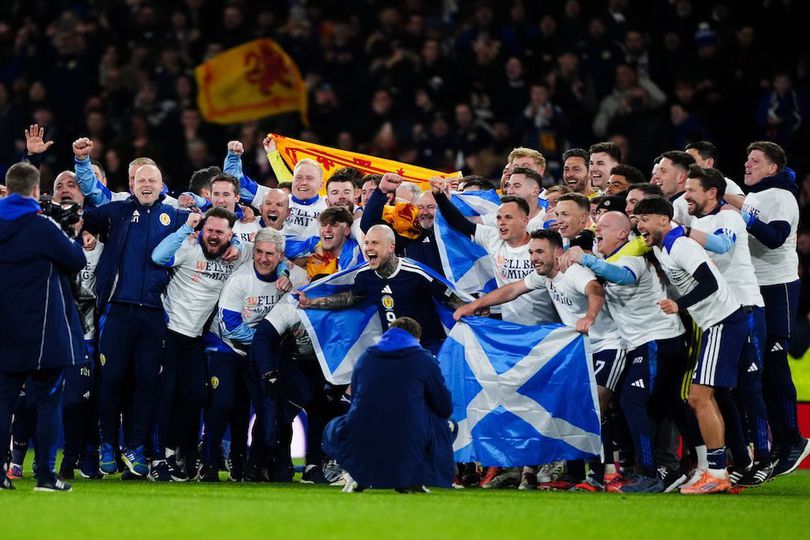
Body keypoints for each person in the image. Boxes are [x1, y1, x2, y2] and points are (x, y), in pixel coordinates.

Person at [82, 162, 193, 478]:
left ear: (162, 185)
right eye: (141, 180)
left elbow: (219, 221)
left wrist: (241, 228)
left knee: (147, 382)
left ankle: (135, 447)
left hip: (153, 314)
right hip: (117, 310)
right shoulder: (116, 211)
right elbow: (84, 209)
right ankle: (107, 445)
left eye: (152, 180)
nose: (146, 184)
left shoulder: (175, 216)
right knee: (111, 380)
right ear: (132, 184)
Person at [634, 196, 747, 494]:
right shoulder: (661, 246)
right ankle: (715, 469)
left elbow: (709, 283)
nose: (639, 224)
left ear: (663, 219)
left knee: (698, 398)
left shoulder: (681, 245)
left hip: (722, 321)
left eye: (644, 218)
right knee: (703, 397)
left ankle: (718, 472)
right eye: (637, 218)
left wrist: (678, 304)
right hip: (714, 324)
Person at [682, 165, 773, 486]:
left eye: (692, 189)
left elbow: (722, 246)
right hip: (719, 314)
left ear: (711, 192)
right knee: (720, 391)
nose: (686, 195)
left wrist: (683, 233)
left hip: (745, 308)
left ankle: (765, 458)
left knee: (748, 387)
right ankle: (742, 459)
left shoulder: (728, 217)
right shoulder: (698, 222)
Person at [0, 162, 87, 492]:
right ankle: (46, 477)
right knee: (48, 402)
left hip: (4, 330)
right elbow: (76, 260)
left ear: (7, 189)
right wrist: (71, 234)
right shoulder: (41, 227)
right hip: (42, 332)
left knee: (3, 402)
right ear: (36, 191)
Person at [149, 206, 252, 481]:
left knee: (195, 397)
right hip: (168, 332)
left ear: (231, 234)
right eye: (209, 230)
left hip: (194, 339)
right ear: (201, 230)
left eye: (220, 232)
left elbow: (271, 251)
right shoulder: (189, 245)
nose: (214, 236)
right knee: (166, 394)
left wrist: (244, 248)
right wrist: (185, 229)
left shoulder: (236, 255)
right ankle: (157, 458)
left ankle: (169, 454)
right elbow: (158, 257)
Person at [200, 228, 306, 482]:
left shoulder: (294, 279)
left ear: (281, 256)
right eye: (258, 251)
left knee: (264, 406)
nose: (263, 258)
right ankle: (208, 461)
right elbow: (229, 325)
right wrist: (264, 342)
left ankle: (249, 464)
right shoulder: (241, 278)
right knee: (224, 402)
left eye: (270, 253)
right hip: (228, 348)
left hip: (260, 353)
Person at [740, 141, 810, 475]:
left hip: (778, 286)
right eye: (747, 159)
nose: (747, 165)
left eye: (755, 161)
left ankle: (792, 439)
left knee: (775, 362)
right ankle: (775, 440)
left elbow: (775, 237)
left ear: (773, 168)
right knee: (760, 366)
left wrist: (744, 215)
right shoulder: (754, 195)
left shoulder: (782, 195)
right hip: (755, 286)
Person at [322, 317, 454, 492]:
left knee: (333, 428)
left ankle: (357, 471)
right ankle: (414, 477)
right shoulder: (424, 359)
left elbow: (355, 401)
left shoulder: (366, 357)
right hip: (409, 434)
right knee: (446, 425)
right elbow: (444, 407)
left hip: (363, 432)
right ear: (416, 339)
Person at [298, 224, 466, 354]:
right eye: (366, 243)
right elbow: (349, 298)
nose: (368, 248)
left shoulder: (416, 273)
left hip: (429, 347)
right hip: (393, 348)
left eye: (375, 243)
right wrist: (312, 302)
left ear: (391, 247)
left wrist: (471, 311)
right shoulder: (365, 276)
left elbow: (449, 297)